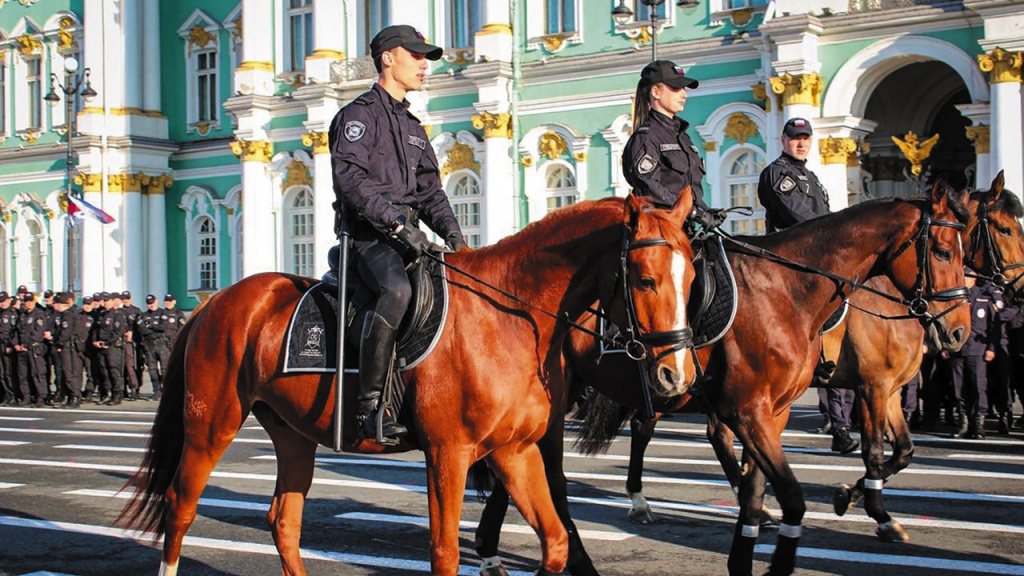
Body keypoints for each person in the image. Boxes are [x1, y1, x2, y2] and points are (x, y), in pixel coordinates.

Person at [329, 25, 466, 444]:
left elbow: (430, 192)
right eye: (417, 56)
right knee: (397, 292)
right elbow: (350, 181)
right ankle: (369, 408)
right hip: (369, 237)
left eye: (426, 58)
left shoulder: (412, 126)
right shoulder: (358, 116)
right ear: (388, 58)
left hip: (410, 236)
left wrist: (457, 239)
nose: (425, 65)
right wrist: (396, 225)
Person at [756, 117, 858, 454]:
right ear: (783, 140)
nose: (800, 143)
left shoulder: (811, 177)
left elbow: (823, 212)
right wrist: (836, 232)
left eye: (805, 138)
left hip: (817, 258)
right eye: (795, 138)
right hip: (791, 257)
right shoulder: (777, 173)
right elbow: (797, 215)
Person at [621, 60, 724, 229]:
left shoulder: (682, 136)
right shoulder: (647, 137)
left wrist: (706, 211)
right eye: (676, 88)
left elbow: (688, 188)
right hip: (658, 230)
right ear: (656, 92)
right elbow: (649, 187)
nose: (684, 95)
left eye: (684, 89)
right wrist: (693, 212)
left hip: (683, 228)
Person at [948, 269, 998, 439]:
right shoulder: (956, 298)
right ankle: (963, 422)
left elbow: (993, 326)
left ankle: (978, 423)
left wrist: (991, 347)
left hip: (978, 349)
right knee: (958, 388)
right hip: (958, 349)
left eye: (968, 276)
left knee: (978, 387)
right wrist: (946, 346)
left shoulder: (983, 297)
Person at [93, 292, 129, 406]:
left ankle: (117, 395)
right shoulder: (101, 314)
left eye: (107, 301)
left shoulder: (117, 315)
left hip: (112, 347)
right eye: (103, 301)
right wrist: (95, 341)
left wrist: (107, 342)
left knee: (114, 371)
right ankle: (106, 394)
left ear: (112, 301)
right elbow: (96, 329)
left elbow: (118, 332)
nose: (105, 303)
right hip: (101, 346)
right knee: (104, 371)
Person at [15, 293, 49, 407]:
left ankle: (41, 397)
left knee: (38, 373)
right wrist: (16, 344)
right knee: (23, 374)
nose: (28, 303)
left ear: (34, 302)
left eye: (30, 301)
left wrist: (28, 345)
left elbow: (38, 333)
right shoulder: (22, 315)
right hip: (22, 349)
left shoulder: (39, 315)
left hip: (34, 349)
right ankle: (27, 396)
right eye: (26, 301)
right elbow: (17, 331)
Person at [136, 294, 167, 400]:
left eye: (153, 303)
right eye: (149, 304)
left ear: (156, 301)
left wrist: (151, 327)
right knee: (152, 370)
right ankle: (156, 391)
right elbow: (142, 329)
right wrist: (153, 330)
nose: (151, 305)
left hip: (161, 345)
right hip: (149, 346)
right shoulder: (143, 315)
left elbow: (163, 328)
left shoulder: (163, 313)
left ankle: (165, 390)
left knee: (165, 370)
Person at [121, 291, 142, 400]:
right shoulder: (120, 311)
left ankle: (134, 388)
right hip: (122, 341)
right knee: (122, 366)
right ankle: (123, 389)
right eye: (124, 299)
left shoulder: (136, 311)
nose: (126, 300)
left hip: (133, 342)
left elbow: (140, 327)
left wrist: (132, 334)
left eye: (127, 298)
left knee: (131, 366)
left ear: (131, 298)